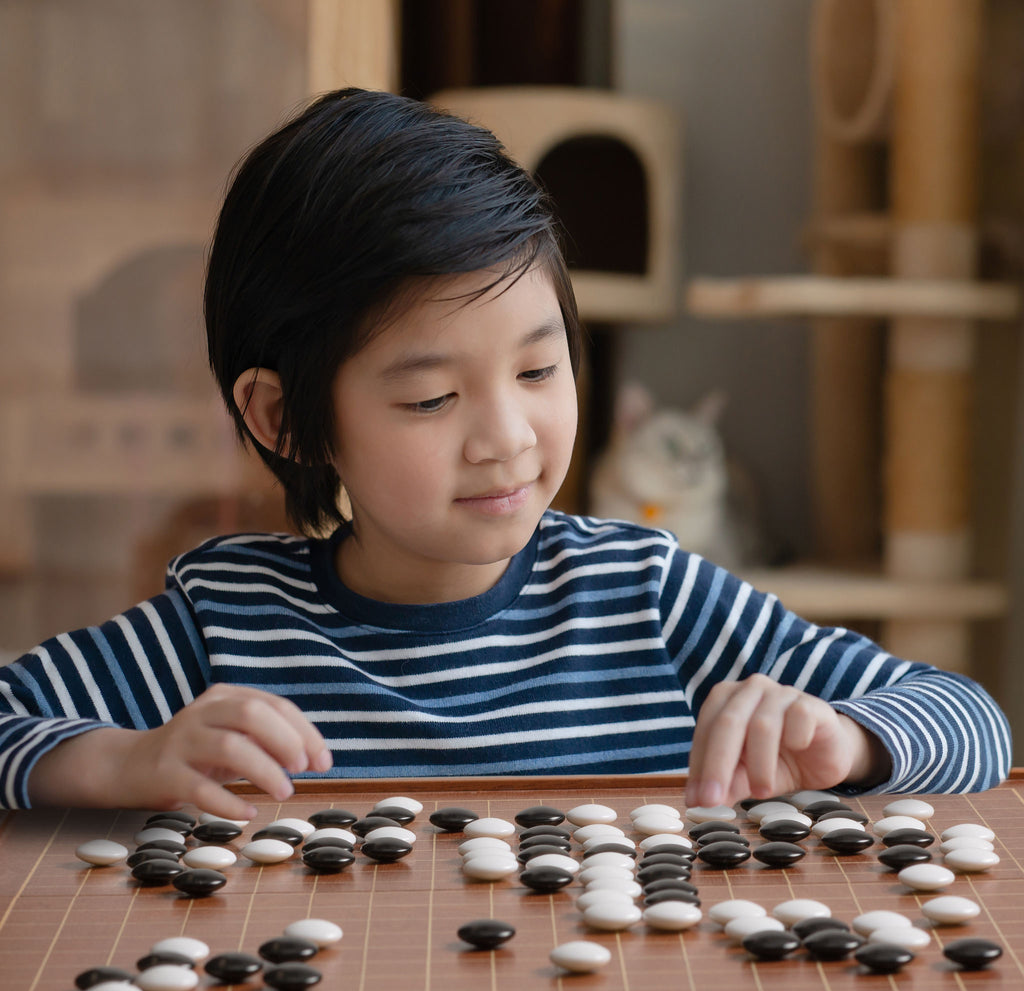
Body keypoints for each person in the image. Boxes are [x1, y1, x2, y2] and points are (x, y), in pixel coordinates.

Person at [0, 89, 1011, 821]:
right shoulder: (226, 623)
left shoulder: (646, 594)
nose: (509, 438)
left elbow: (973, 721)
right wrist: (123, 763)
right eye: (431, 396)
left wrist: (849, 738)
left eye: (539, 371)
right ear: (284, 419)